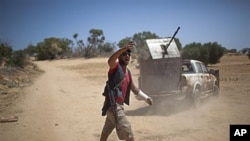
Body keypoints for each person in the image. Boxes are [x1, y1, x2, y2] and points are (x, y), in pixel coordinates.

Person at [100, 41, 153, 141]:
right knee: (128, 133)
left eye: (128, 54)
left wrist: (146, 98)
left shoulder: (128, 72)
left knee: (106, 130)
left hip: (118, 106)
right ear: (120, 57)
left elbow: (133, 88)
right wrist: (122, 49)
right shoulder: (115, 67)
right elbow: (110, 61)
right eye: (124, 54)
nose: (127, 56)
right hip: (113, 106)